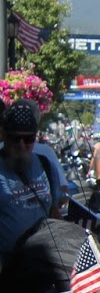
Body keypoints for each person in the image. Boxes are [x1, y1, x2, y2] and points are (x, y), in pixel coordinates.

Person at [0, 99, 66, 257]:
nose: (22, 146)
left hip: (43, 263)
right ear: (5, 137)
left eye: (28, 139)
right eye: (16, 139)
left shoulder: (46, 166)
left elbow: (54, 211)